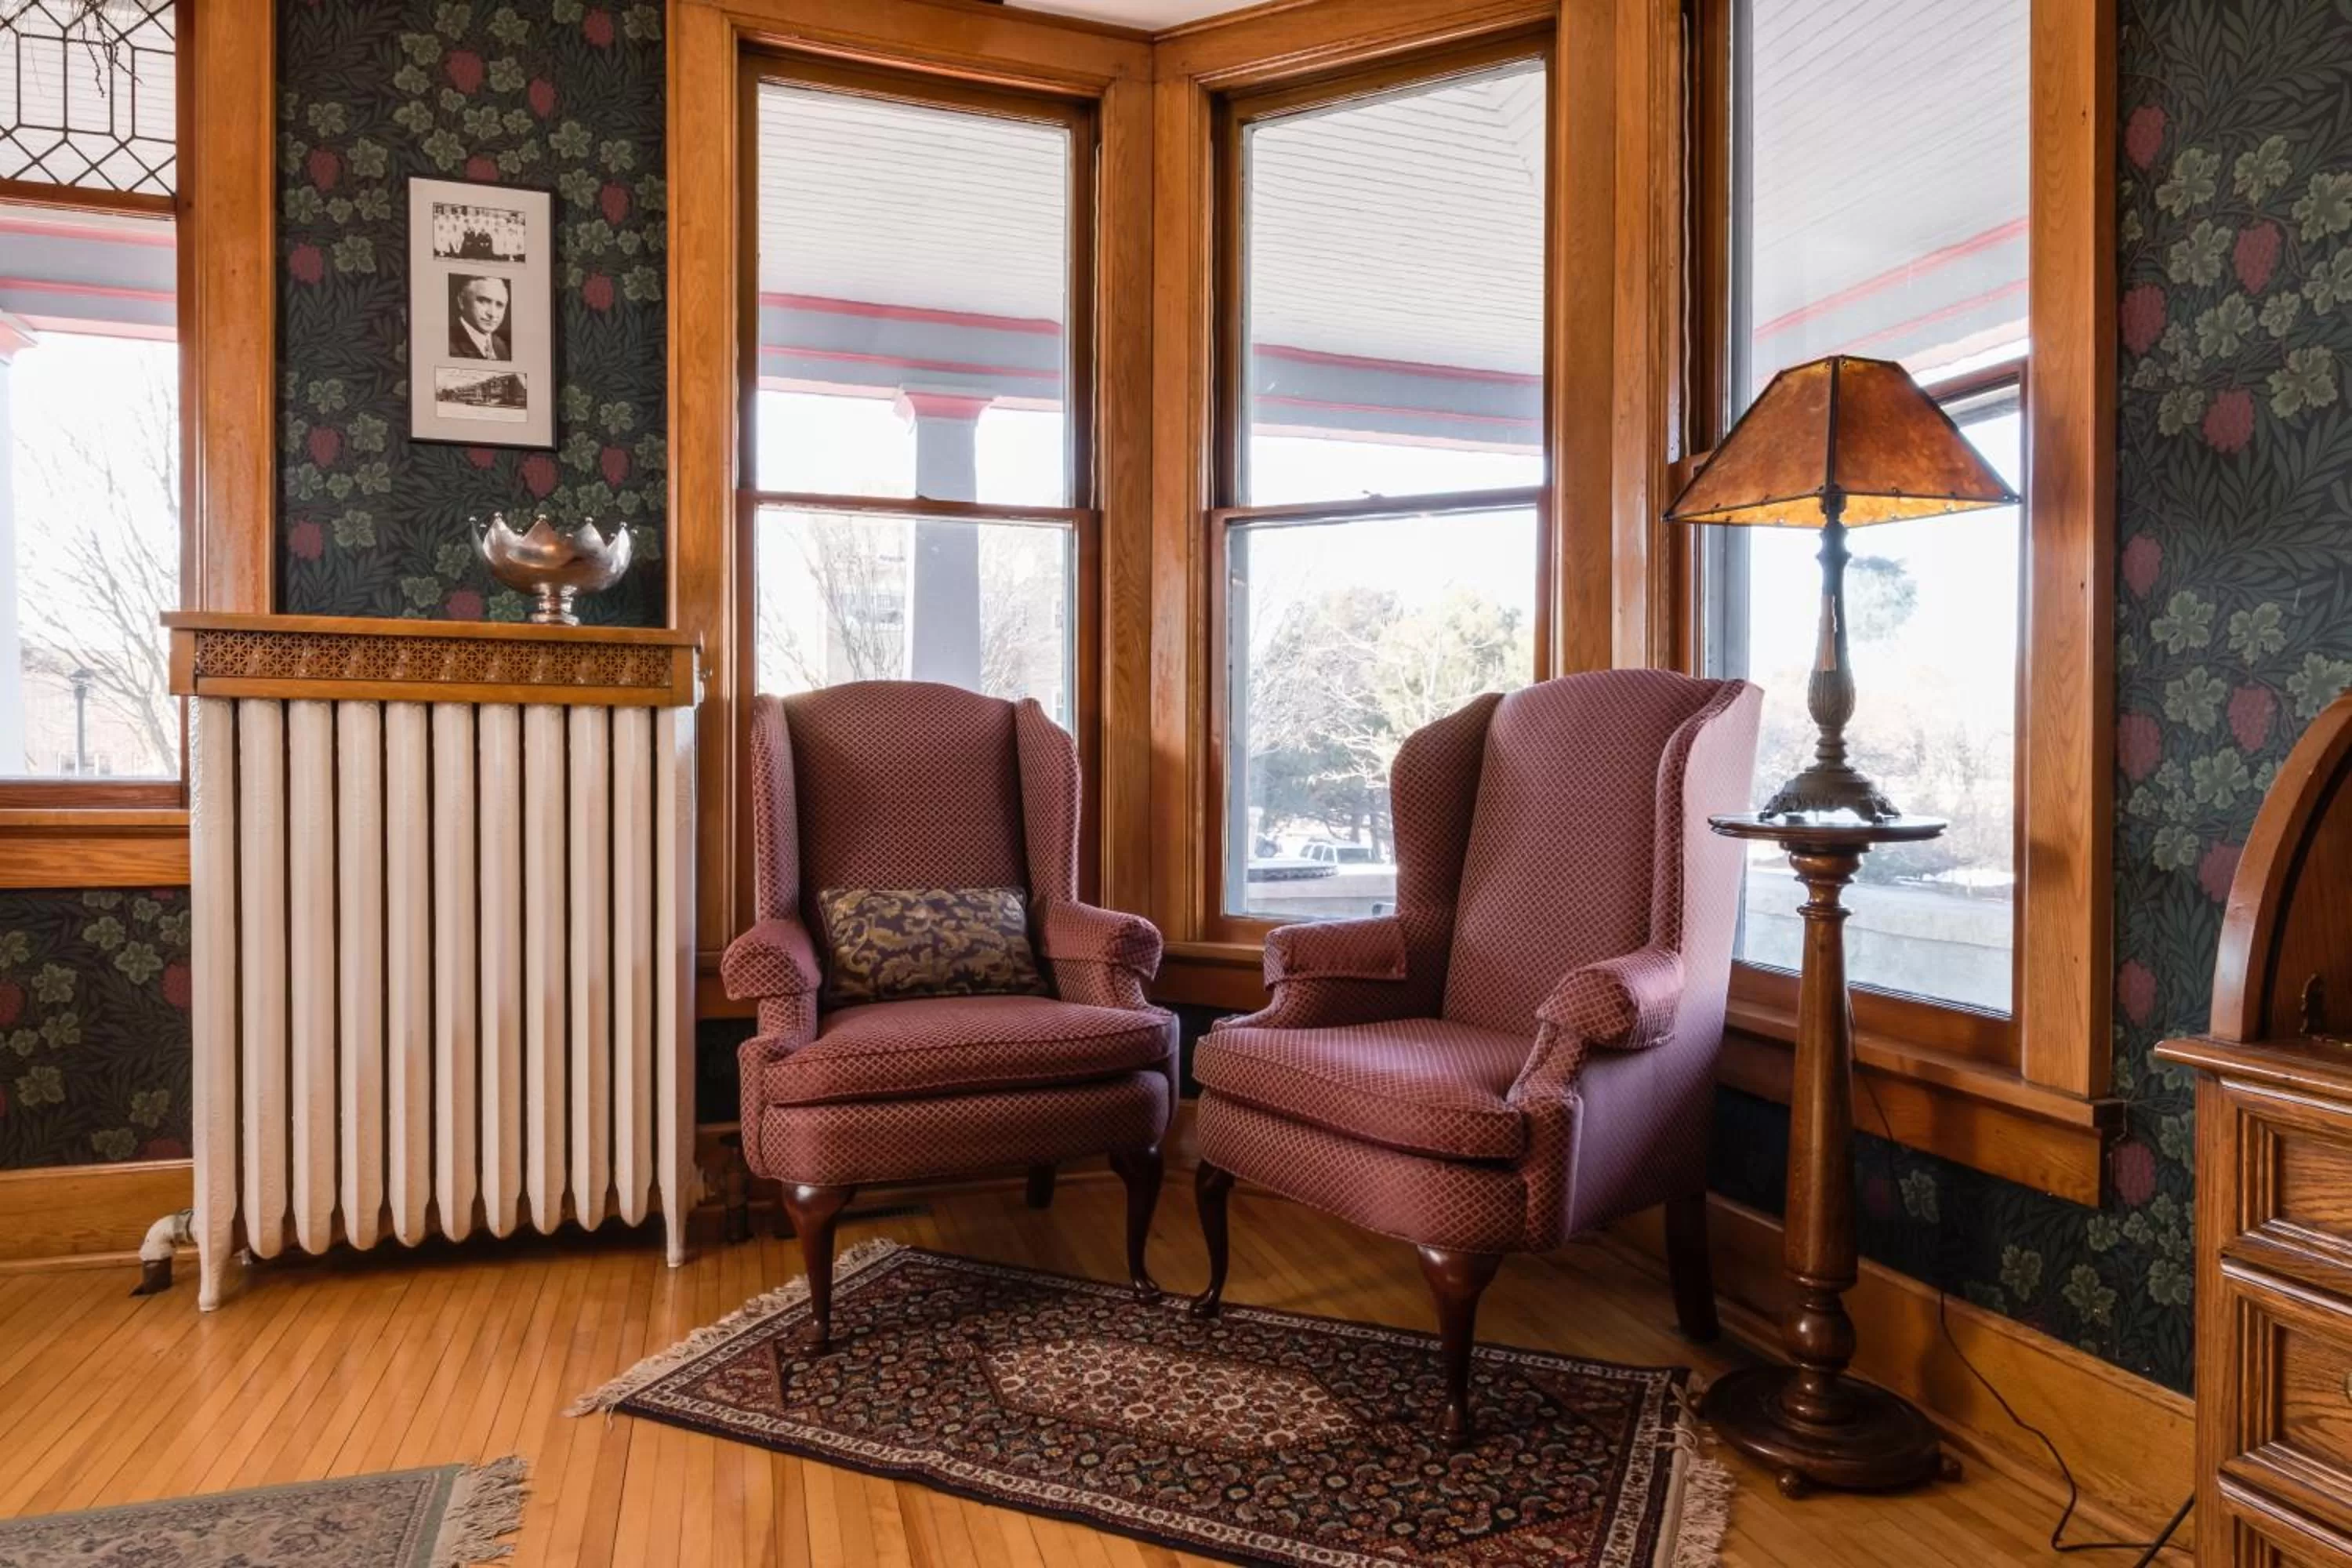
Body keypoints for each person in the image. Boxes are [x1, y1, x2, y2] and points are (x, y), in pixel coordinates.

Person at [448, 275, 512, 361]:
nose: (492, 314)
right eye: (483, 301)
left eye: (499, 305)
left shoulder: (501, 346)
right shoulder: (447, 342)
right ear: (462, 301)